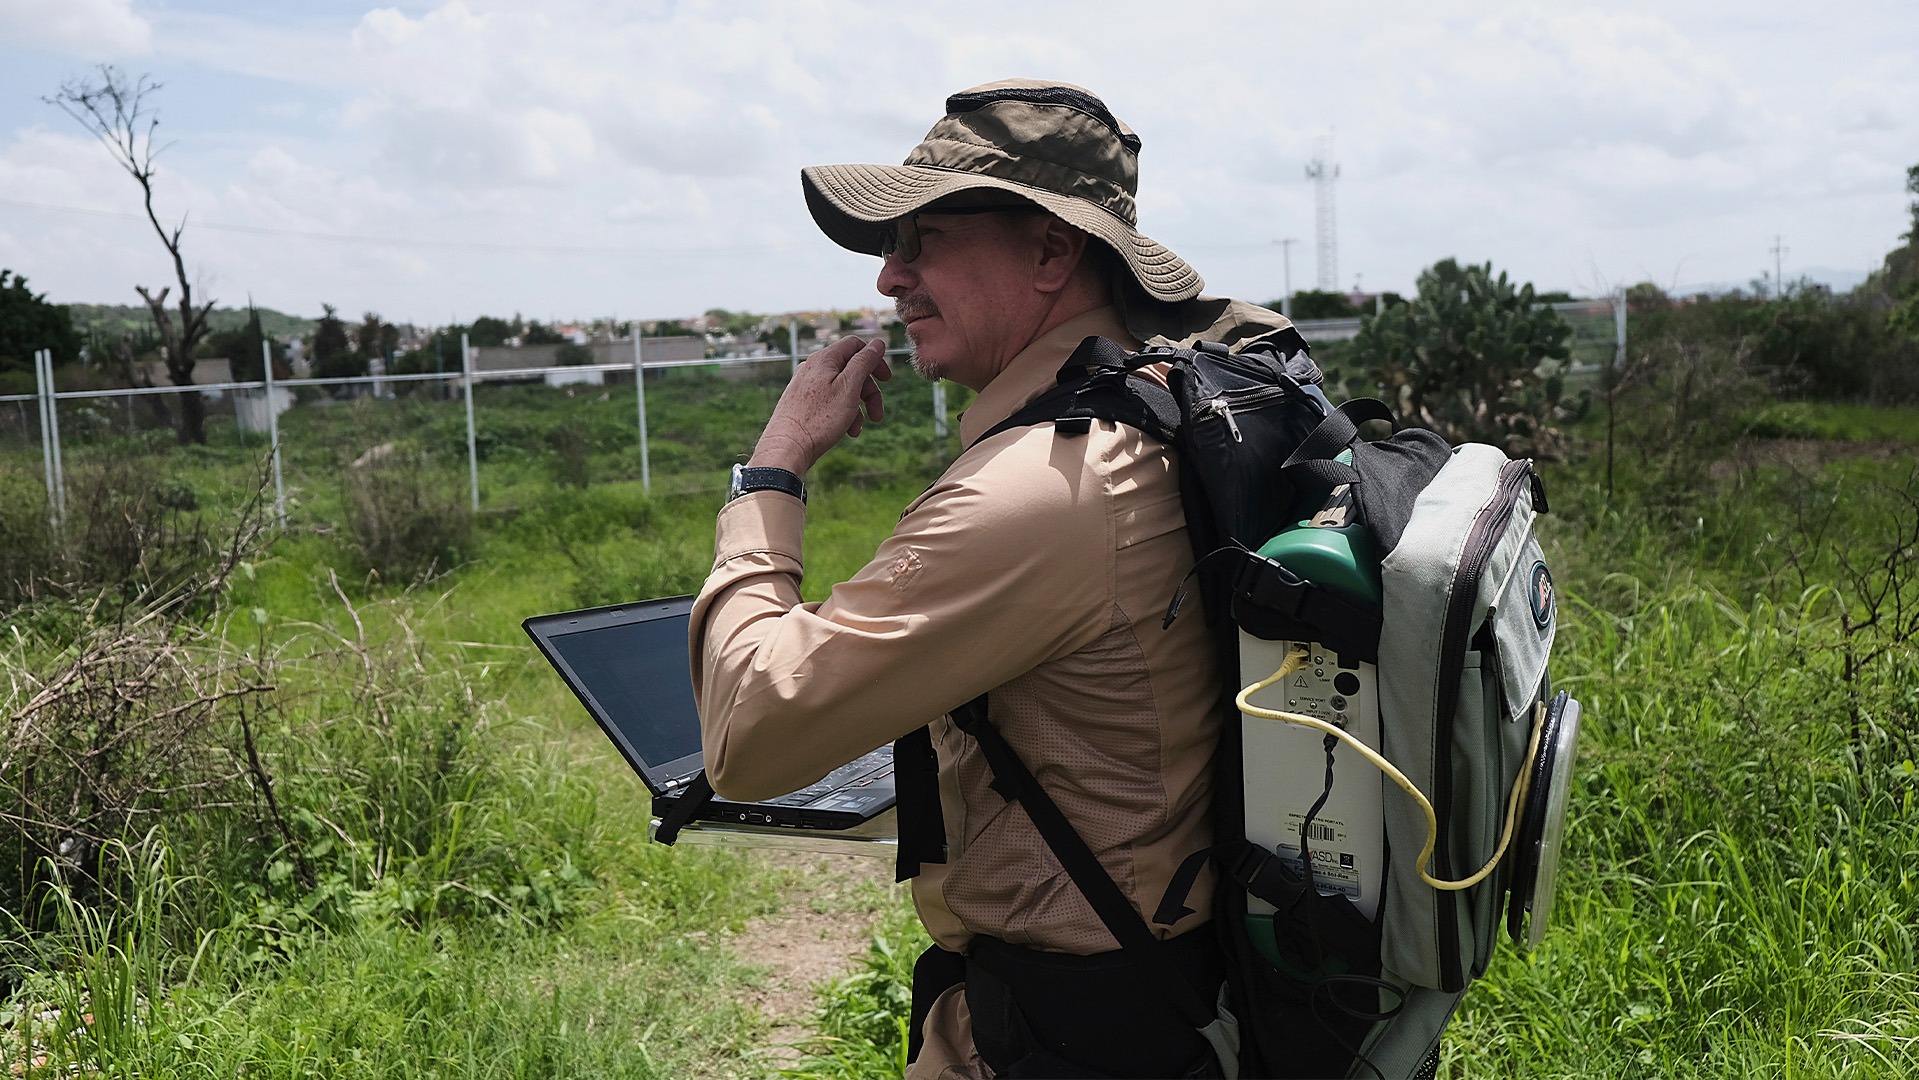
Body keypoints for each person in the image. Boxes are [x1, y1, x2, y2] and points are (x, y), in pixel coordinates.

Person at [690, 79, 1300, 1078]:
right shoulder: (1157, 405)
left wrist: (772, 471)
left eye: (924, 236)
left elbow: (746, 739)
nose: (890, 278)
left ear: (1052, 251)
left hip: (1068, 1038)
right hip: (1172, 996)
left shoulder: (1044, 488)